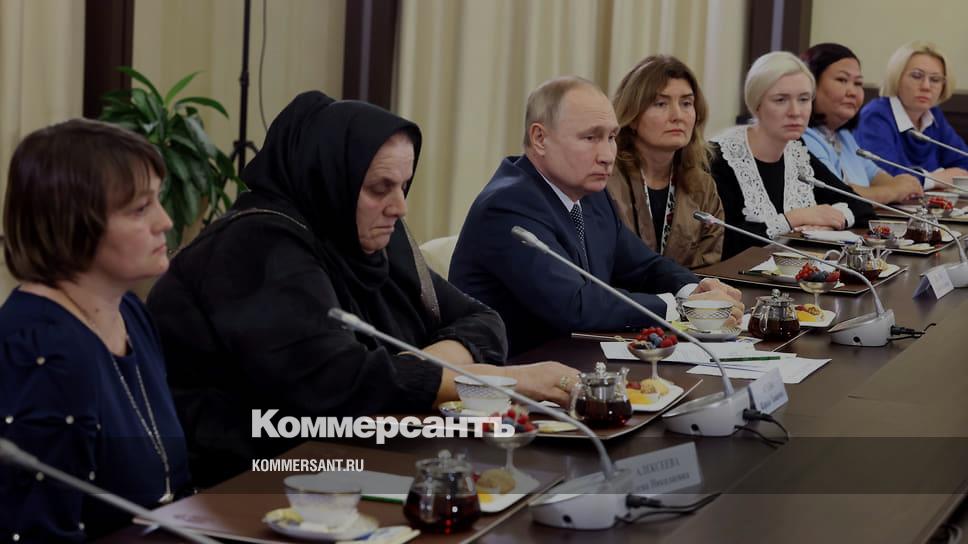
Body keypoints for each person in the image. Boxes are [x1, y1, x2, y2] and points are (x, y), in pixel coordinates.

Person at [146, 92, 580, 486]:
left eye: (404, 185)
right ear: (330, 177)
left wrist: (413, 368)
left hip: (361, 455)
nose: (400, 207)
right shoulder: (256, 246)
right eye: (379, 188)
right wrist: (507, 382)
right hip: (259, 479)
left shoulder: (366, 238)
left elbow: (483, 320)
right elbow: (340, 383)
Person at [449, 76, 742, 356]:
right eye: (590, 137)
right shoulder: (508, 205)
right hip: (516, 372)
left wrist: (693, 290)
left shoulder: (590, 194)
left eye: (611, 137)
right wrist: (679, 307)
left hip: (578, 358)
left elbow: (644, 266)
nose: (606, 155)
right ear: (540, 138)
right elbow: (574, 305)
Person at [0, 119, 191, 541]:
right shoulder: (39, 349)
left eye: (157, 200)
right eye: (139, 209)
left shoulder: (130, 313)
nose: (164, 221)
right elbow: (35, 533)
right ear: (71, 222)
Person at [710, 52, 875, 259]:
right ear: (756, 104)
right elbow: (723, 242)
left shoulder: (795, 150)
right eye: (781, 100)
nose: (796, 112)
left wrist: (826, 221)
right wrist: (793, 219)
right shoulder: (720, 157)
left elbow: (862, 208)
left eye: (804, 99)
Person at [607, 55, 724, 268]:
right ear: (632, 116)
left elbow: (708, 266)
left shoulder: (703, 186)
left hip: (689, 290)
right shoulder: (604, 179)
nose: (677, 116)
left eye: (686, 103)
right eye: (660, 104)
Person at [800, 43, 924, 204]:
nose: (852, 92)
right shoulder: (802, 137)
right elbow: (837, 194)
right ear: (811, 84)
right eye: (842, 80)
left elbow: (875, 175)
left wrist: (901, 185)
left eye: (858, 83)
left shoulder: (843, 136)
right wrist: (895, 191)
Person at [855, 41, 968, 187]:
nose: (926, 86)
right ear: (897, 78)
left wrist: (937, 179)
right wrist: (934, 179)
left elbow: (964, 162)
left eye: (935, 79)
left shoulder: (933, 116)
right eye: (916, 76)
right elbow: (885, 176)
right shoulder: (875, 116)